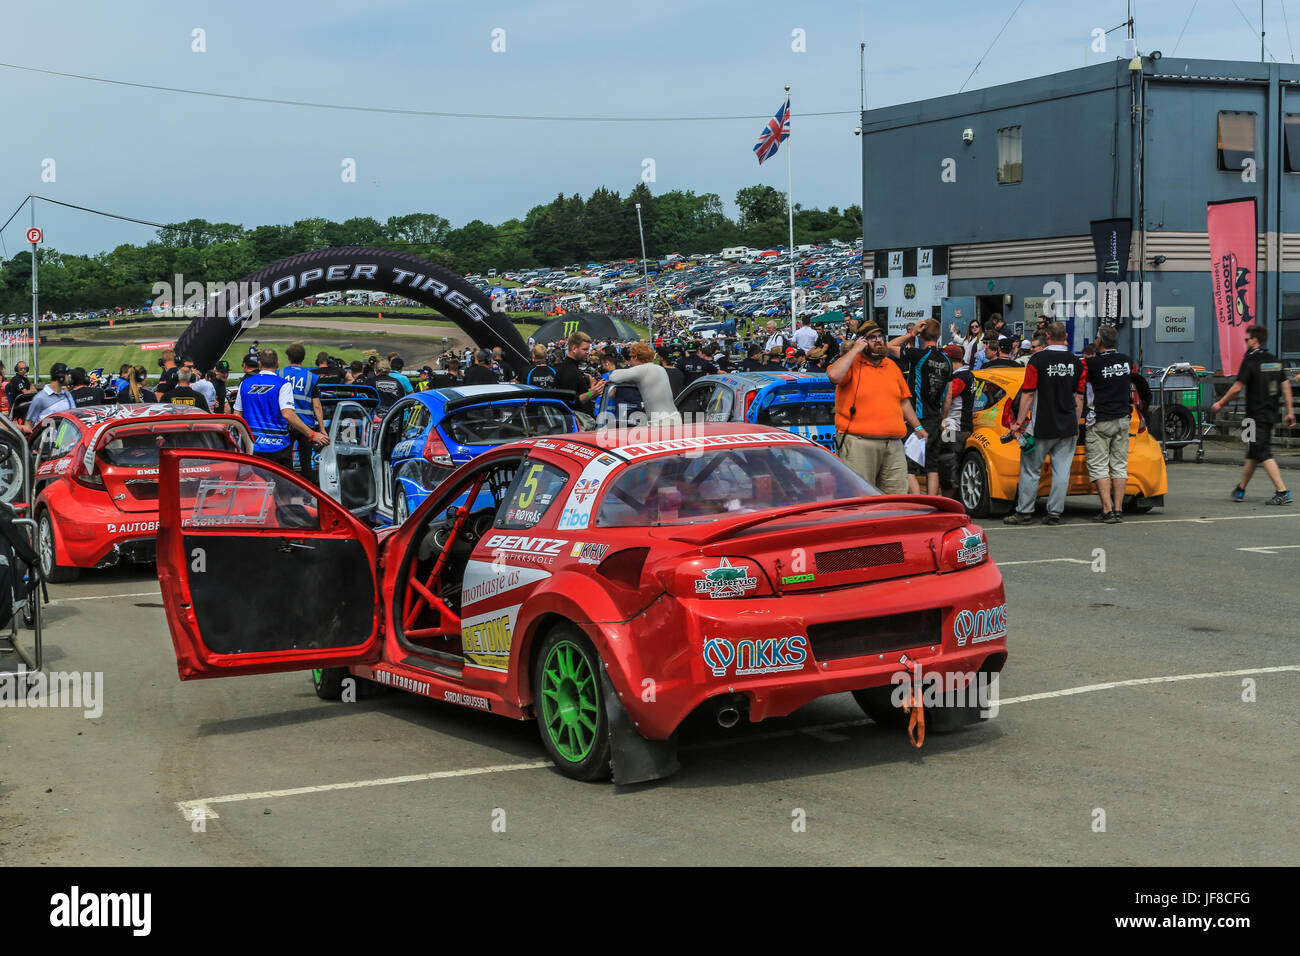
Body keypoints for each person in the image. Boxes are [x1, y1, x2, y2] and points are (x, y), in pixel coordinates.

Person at [827, 320, 927, 495]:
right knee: (860, 498)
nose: (878, 340)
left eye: (880, 336)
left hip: (893, 444)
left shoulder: (891, 366)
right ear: (862, 342)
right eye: (872, 338)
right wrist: (854, 351)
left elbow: (903, 400)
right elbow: (834, 376)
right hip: (859, 442)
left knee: (896, 498)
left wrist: (918, 427)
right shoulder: (852, 363)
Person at [1004, 321, 1086, 526]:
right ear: (1065, 336)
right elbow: (1080, 398)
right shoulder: (1077, 362)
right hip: (1067, 425)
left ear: (1047, 336)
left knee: (1031, 469)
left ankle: (1024, 512)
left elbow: (1029, 393)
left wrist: (1018, 423)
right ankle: (1054, 513)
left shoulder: (1037, 360)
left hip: (1041, 425)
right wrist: (1075, 425)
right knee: (1062, 471)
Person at [1211, 323, 1296, 504]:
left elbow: (1237, 387)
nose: (1245, 342)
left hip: (1255, 415)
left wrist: (1220, 403)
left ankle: (1282, 492)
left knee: (1263, 451)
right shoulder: (1275, 360)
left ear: (1255, 340)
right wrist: (1289, 412)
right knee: (1253, 451)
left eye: (1247, 339)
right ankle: (1241, 488)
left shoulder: (1250, 360)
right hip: (1271, 413)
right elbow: (1286, 386)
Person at [235, 349, 328, 468]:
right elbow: (287, 414)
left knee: (255, 482)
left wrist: (243, 440)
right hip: (278, 447)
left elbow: (237, 415)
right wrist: (312, 434)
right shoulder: (283, 384)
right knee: (282, 484)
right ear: (277, 363)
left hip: (252, 445)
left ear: (259, 364)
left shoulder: (245, 383)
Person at [889, 319, 952, 495]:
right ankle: (932, 503)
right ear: (938, 336)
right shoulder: (947, 360)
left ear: (922, 336)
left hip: (916, 419)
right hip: (935, 418)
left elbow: (889, 346)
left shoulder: (917, 355)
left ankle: (919, 502)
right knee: (932, 466)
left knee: (908, 467)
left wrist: (912, 333)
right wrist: (944, 418)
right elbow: (948, 396)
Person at [1083, 325, 1136, 523]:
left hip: (1100, 419)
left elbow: (1082, 386)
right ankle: (1119, 509)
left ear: (1099, 342)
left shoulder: (1092, 364)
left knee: (1099, 466)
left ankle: (1107, 509)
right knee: (1120, 465)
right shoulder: (1126, 361)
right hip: (1123, 417)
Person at [607, 342, 682, 426]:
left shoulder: (642, 369)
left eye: (630, 358)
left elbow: (613, 376)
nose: (630, 362)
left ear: (635, 357)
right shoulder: (660, 368)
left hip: (659, 421)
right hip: (675, 417)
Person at [280, 343, 324, 480]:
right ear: (303, 358)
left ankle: (287, 490)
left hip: (286, 423)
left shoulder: (280, 374)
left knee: (285, 462)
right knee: (306, 463)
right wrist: (322, 429)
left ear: (288, 357)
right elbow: (317, 405)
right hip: (306, 425)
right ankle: (307, 496)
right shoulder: (311, 377)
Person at [939, 344, 974, 495]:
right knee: (954, 463)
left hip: (952, 425)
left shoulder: (959, 378)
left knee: (948, 464)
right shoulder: (969, 374)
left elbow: (946, 397)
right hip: (963, 425)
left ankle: (949, 501)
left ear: (950, 360)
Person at [555, 331, 604, 415]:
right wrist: (591, 393)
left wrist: (591, 390)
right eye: (584, 349)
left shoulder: (573, 367)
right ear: (574, 348)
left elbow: (577, 393)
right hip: (578, 422)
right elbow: (570, 401)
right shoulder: (568, 370)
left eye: (588, 349)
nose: (587, 352)